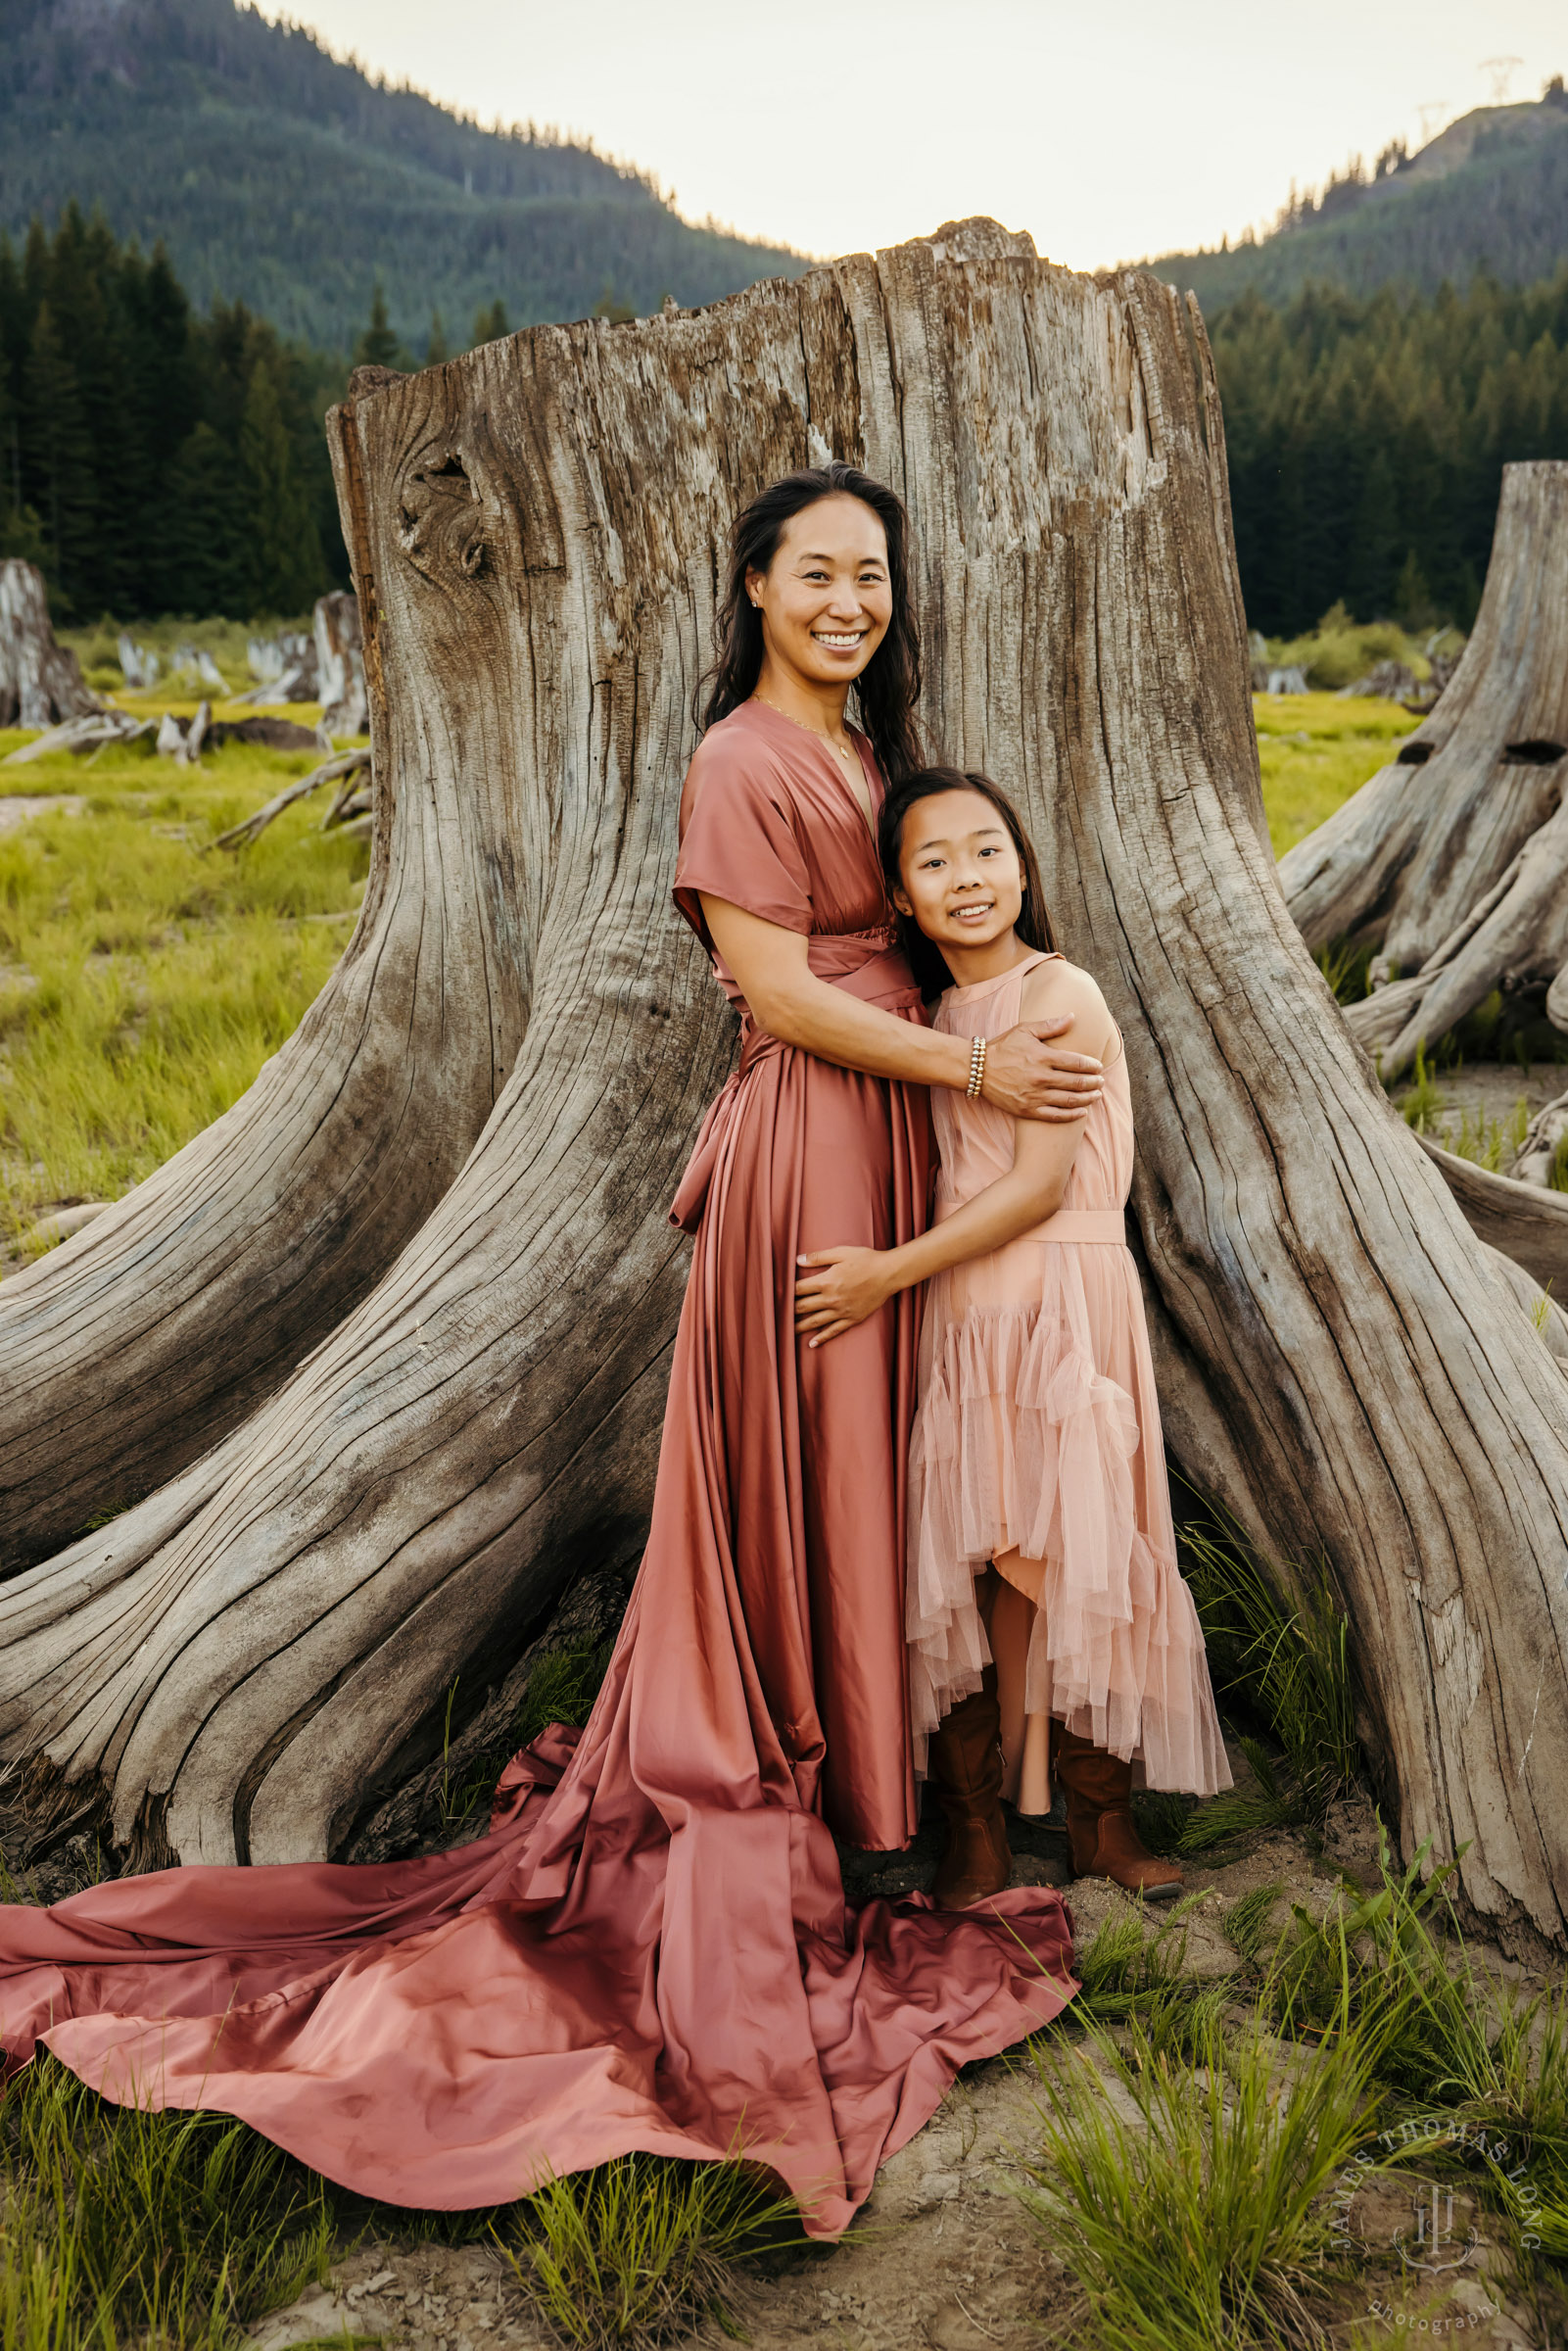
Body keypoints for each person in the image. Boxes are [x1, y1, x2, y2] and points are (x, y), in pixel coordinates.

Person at [0, 468, 1094, 2239]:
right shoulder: (741, 757)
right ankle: (840, 1796)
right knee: (808, 1464)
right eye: (816, 573)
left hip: (888, 1129)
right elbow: (781, 993)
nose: (849, 602)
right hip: (822, 1130)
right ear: (750, 586)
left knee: (868, 1465)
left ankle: (887, 1792)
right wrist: (975, 1073)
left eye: (872, 575)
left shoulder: (875, 755)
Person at [794, 766, 1231, 1912]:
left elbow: (1038, 1188)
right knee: (978, 1562)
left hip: (1059, 1305)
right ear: (898, 898)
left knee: (1079, 1558)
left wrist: (883, 1274)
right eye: (932, 862)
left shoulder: (1058, 994)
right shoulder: (931, 1021)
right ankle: (976, 1823)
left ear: (1023, 865)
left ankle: (1098, 1814)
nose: (967, 878)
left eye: (985, 850)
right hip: (966, 1318)